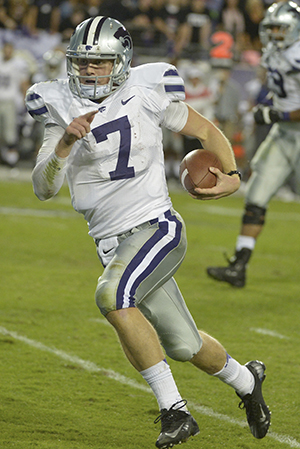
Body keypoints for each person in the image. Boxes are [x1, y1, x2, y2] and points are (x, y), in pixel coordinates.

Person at [25, 16, 271, 448]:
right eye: (83, 62)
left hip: (156, 225)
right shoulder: (57, 102)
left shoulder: (148, 89)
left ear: (122, 62)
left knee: (112, 297)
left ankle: (174, 411)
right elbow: (44, 189)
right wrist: (65, 143)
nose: (88, 71)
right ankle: (248, 381)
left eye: (99, 63)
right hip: (109, 241)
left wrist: (231, 174)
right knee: (183, 344)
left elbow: (207, 131)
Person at [207, 1, 300, 288]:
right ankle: (239, 266)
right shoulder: (274, 52)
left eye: (280, 28)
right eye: (270, 27)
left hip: (290, 127)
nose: (274, 33)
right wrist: (274, 109)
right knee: (256, 197)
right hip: (285, 133)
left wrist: (274, 113)